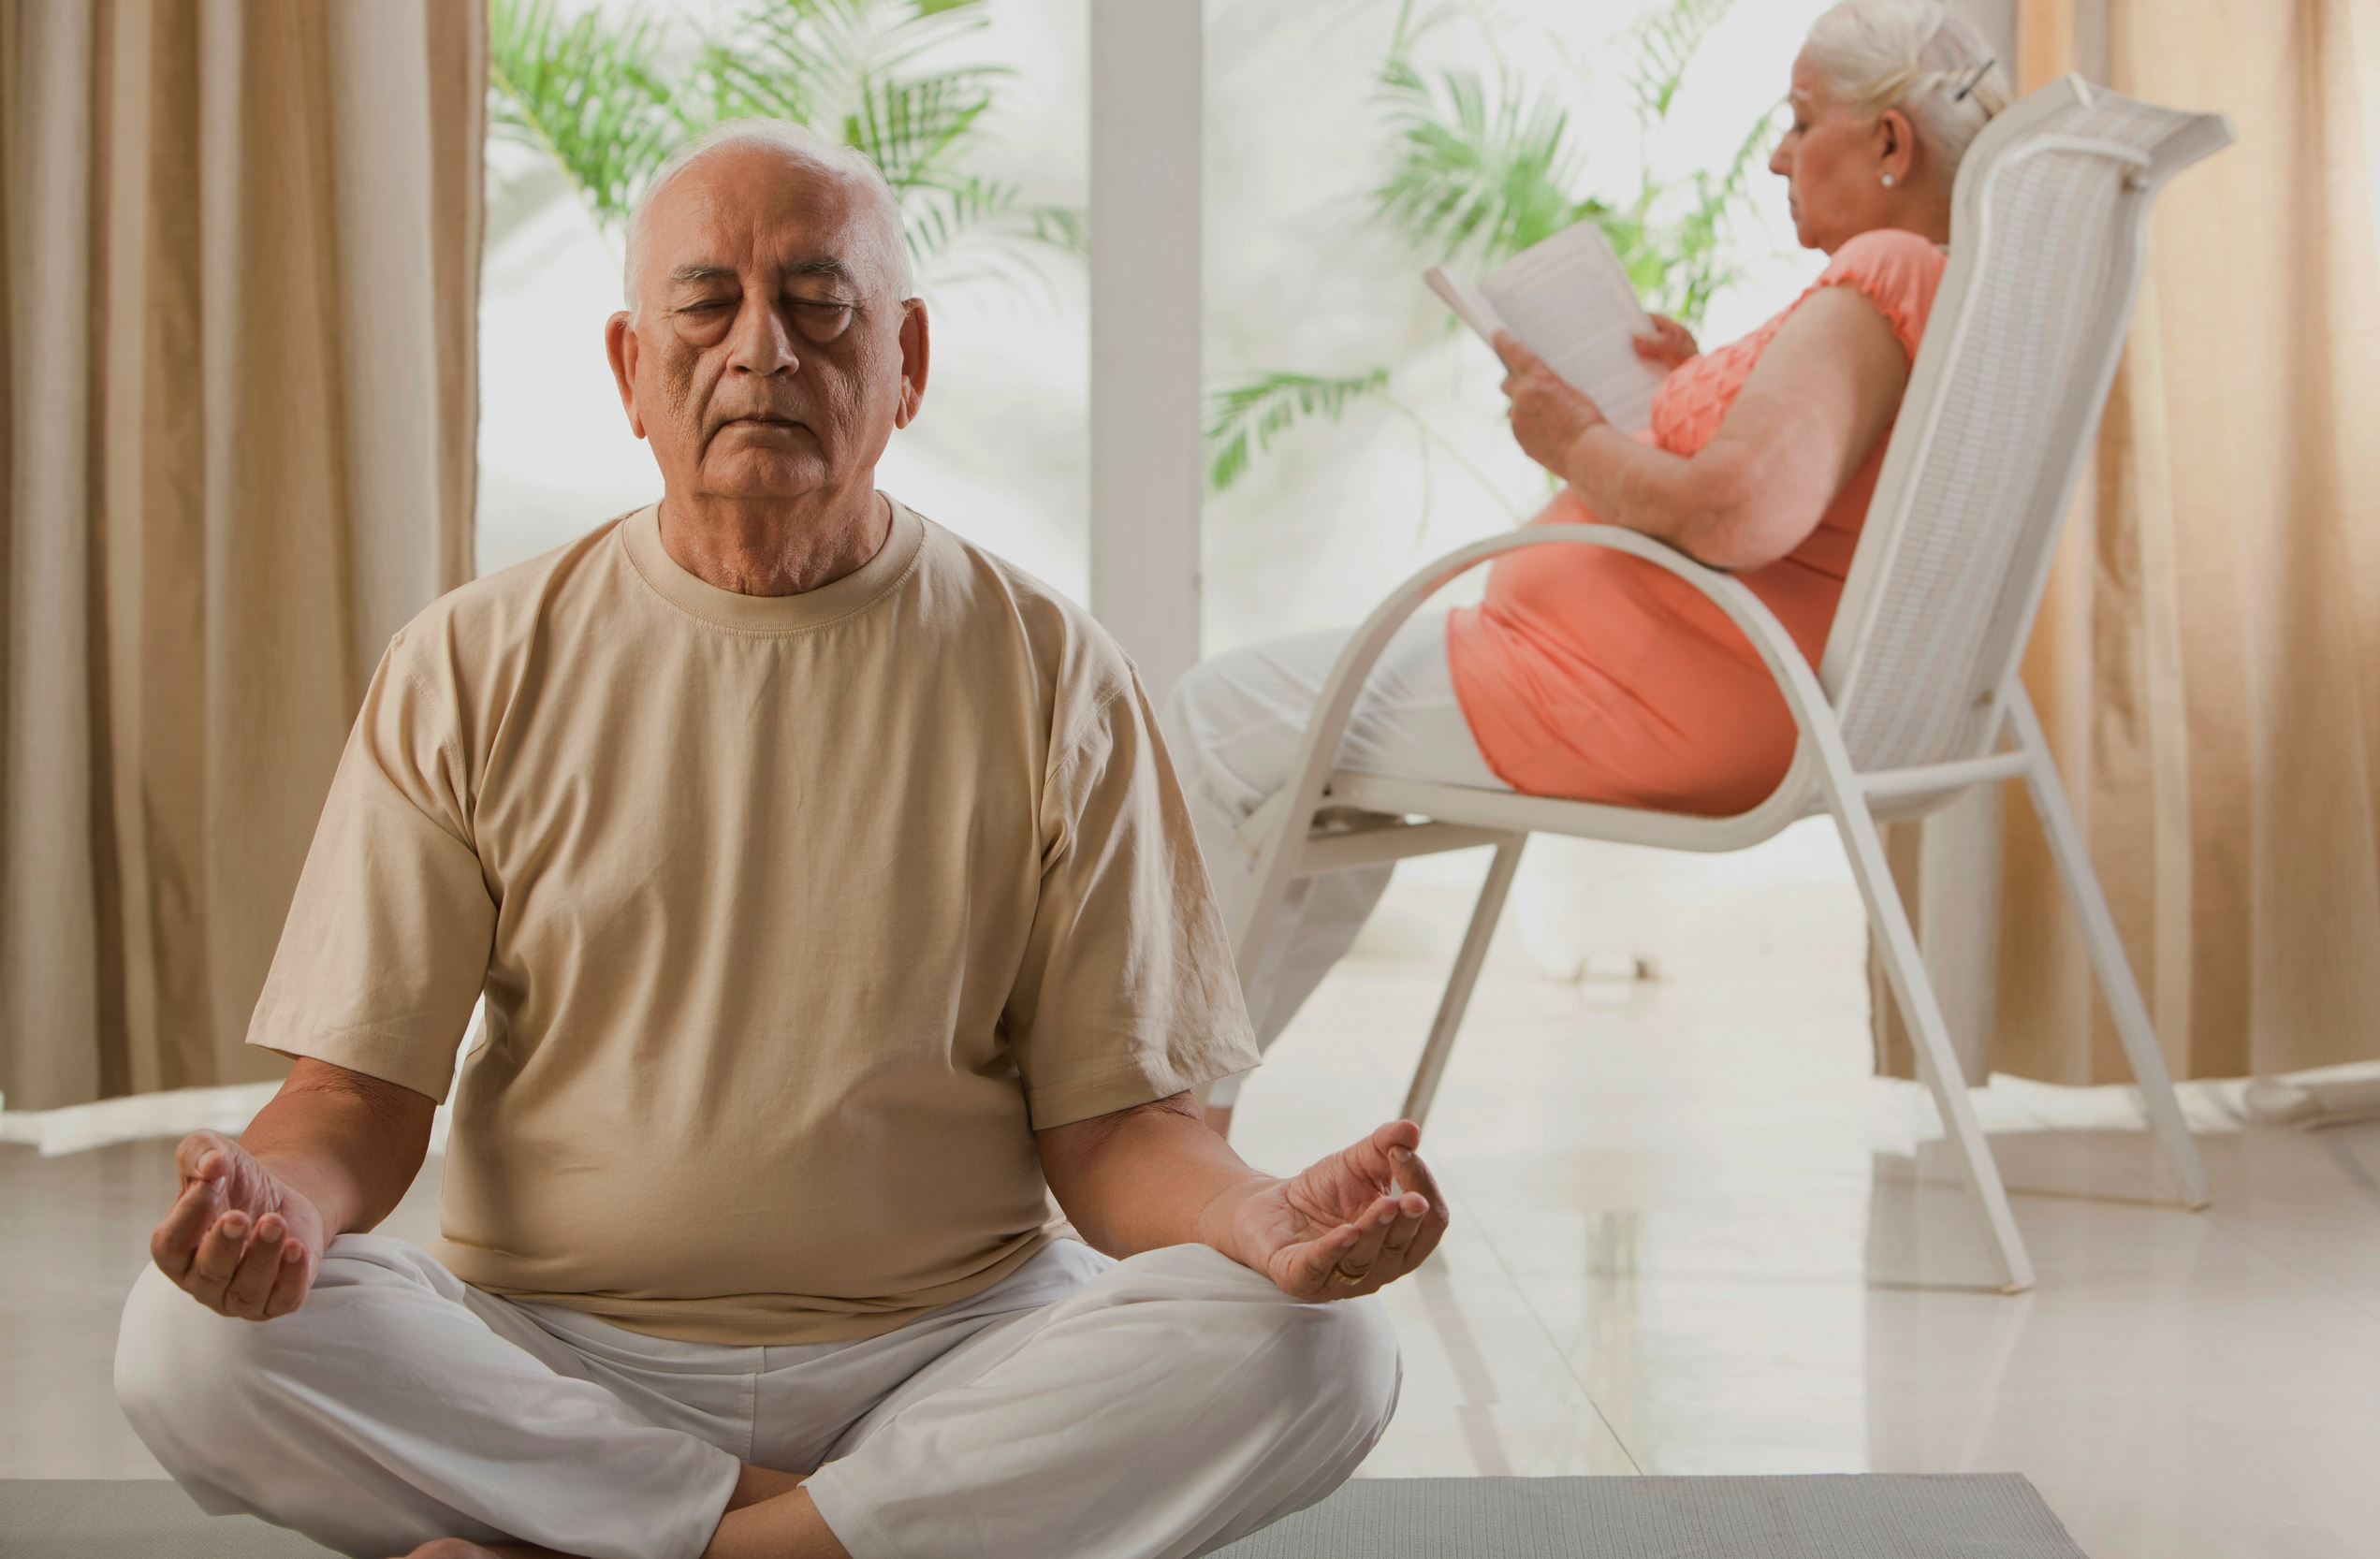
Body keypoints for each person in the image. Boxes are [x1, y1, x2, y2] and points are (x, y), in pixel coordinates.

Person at [111, 119, 1448, 1559]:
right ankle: (838, 1541)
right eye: (706, 306)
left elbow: (1120, 1129)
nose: (761, 353)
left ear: (907, 363)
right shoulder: (469, 659)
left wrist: (1261, 1218)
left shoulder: (1051, 665)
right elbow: (356, 1103)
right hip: (558, 1354)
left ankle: (635, 1540)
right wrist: (281, 1208)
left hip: (949, 1357)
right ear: (632, 370)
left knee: (1319, 1352)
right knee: (193, 1351)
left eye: (821, 308)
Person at [1167, 0, 2015, 1140]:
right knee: (1304, 767)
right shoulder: (1947, 288)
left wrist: (1571, 440)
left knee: (1216, 725)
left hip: (1639, 688)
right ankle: (1186, 1117)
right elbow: (1794, 481)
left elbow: (1734, 511)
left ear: (1887, 147)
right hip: (1678, 676)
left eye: (1797, 119)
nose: (1772, 153)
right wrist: (1685, 388)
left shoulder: (1880, 269)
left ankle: (1157, 1132)